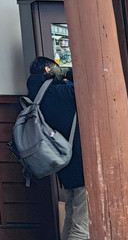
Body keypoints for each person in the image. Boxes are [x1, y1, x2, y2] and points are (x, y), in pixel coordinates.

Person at [27, 57, 86, 240]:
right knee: (82, 225)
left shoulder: (36, 96)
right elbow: (87, 82)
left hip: (62, 163)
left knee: (70, 216)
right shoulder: (63, 92)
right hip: (80, 162)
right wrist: (67, 73)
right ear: (48, 70)